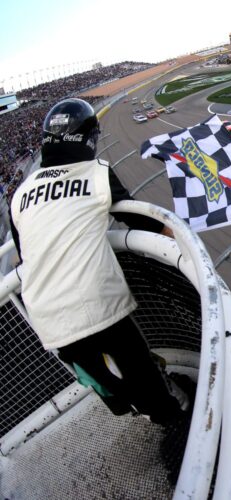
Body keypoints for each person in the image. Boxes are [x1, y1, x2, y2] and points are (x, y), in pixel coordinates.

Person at [9, 98, 190, 425]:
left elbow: (25, 255)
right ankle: (175, 423)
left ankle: (131, 407)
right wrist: (186, 245)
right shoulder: (96, 173)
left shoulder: (21, 194)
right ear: (88, 139)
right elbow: (144, 221)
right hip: (97, 306)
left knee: (109, 386)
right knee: (144, 376)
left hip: (46, 317)